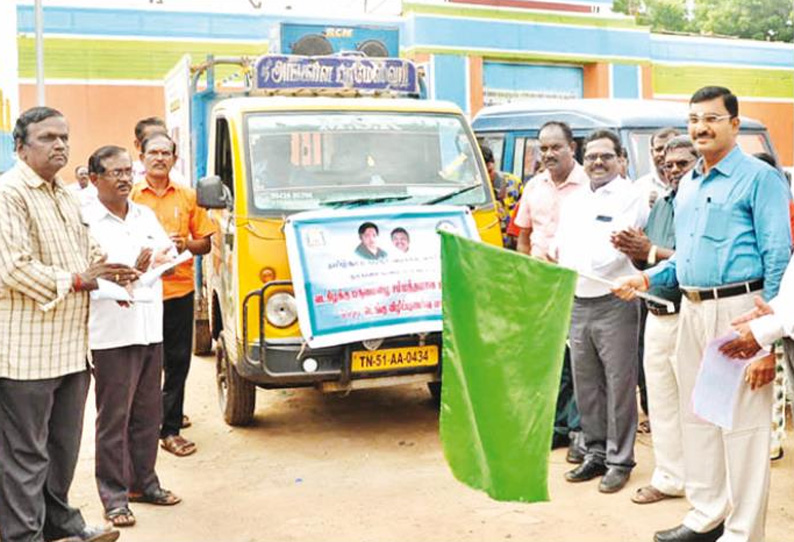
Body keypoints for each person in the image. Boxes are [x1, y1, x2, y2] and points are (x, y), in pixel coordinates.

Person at [613, 86, 791, 542]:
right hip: (691, 310)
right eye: (694, 119)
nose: (700, 128)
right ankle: (706, 514)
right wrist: (648, 278)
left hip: (740, 312)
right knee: (700, 418)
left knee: (744, 427)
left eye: (712, 118)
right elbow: (685, 255)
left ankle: (742, 531)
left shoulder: (758, 179)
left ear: (734, 123)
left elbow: (778, 257)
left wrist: (765, 336)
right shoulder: (688, 183)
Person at [0, 106, 139, 542]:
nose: (59, 144)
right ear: (20, 147)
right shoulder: (9, 193)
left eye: (64, 137)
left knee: (62, 450)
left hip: (70, 349)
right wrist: (82, 279)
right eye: (47, 138)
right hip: (25, 353)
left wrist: (113, 275)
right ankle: (23, 534)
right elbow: (12, 268)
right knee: (25, 454)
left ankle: (58, 521)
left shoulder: (64, 196)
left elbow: (90, 252)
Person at [85, 145, 182, 528]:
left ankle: (144, 482)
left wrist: (162, 259)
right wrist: (114, 279)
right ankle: (113, 495)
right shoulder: (86, 220)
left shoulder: (143, 214)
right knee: (114, 418)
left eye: (128, 171)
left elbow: (166, 249)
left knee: (148, 413)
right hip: (111, 332)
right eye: (115, 173)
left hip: (148, 324)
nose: (125, 178)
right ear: (94, 179)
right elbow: (85, 273)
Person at [555, 129, 648, 494]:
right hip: (578, 301)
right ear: (583, 158)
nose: (597, 162)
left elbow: (611, 256)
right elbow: (562, 248)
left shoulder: (631, 196)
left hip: (615, 301)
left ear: (620, 159)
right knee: (586, 384)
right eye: (591, 156)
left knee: (619, 384)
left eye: (605, 156)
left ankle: (620, 460)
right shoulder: (575, 200)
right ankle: (594, 452)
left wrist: (580, 259)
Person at [611, 135, 698, 505]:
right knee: (660, 402)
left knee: (693, 406)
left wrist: (650, 251)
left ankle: (702, 484)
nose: (673, 169)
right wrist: (633, 249)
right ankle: (669, 478)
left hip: (690, 314)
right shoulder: (663, 203)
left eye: (683, 163)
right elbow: (650, 261)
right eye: (668, 164)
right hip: (656, 313)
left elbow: (692, 260)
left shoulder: (702, 204)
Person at [131, 132, 215, 457]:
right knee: (145, 364)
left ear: (174, 160)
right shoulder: (132, 197)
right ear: (142, 157)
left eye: (166, 153)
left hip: (179, 292)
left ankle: (170, 430)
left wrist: (185, 245)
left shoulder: (187, 196)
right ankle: (145, 425)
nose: (159, 158)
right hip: (142, 293)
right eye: (153, 152)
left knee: (178, 362)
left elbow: (205, 243)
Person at [514, 121, 588, 461]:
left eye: (555, 147)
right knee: (552, 359)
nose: (548, 154)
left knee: (580, 360)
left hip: (578, 283)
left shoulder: (589, 184)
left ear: (571, 147)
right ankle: (557, 428)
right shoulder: (534, 187)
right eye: (542, 148)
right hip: (541, 284)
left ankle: (579, 431)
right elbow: (524, 235)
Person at [480, 144, 524, 248]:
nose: (487, 177)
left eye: (489, 171)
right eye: (482, 174)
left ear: (494, 164)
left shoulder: (513, 183)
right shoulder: (472, 191)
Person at [636, 127, 679, 207]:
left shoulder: (690, 184)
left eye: (668, 148)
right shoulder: (639, 188)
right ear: (652, 153)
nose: (663, 154)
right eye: (659, 149)